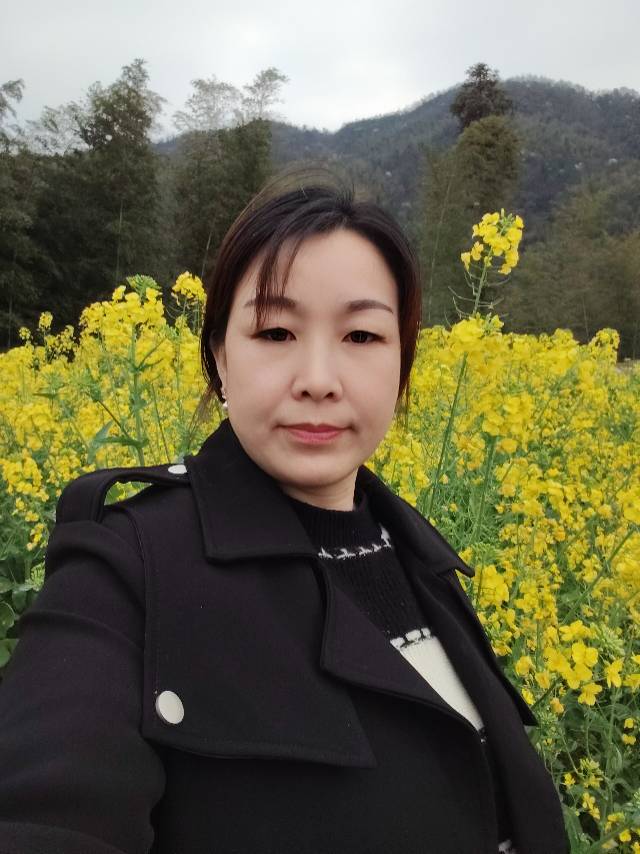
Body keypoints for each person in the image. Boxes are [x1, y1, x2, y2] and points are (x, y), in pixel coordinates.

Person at [0, 175, 569, 854]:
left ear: (403, 364)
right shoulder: (124, 569)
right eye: (275, 331)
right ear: (219, 357)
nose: (318, 379)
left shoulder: (422, 558)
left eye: (362, 335)